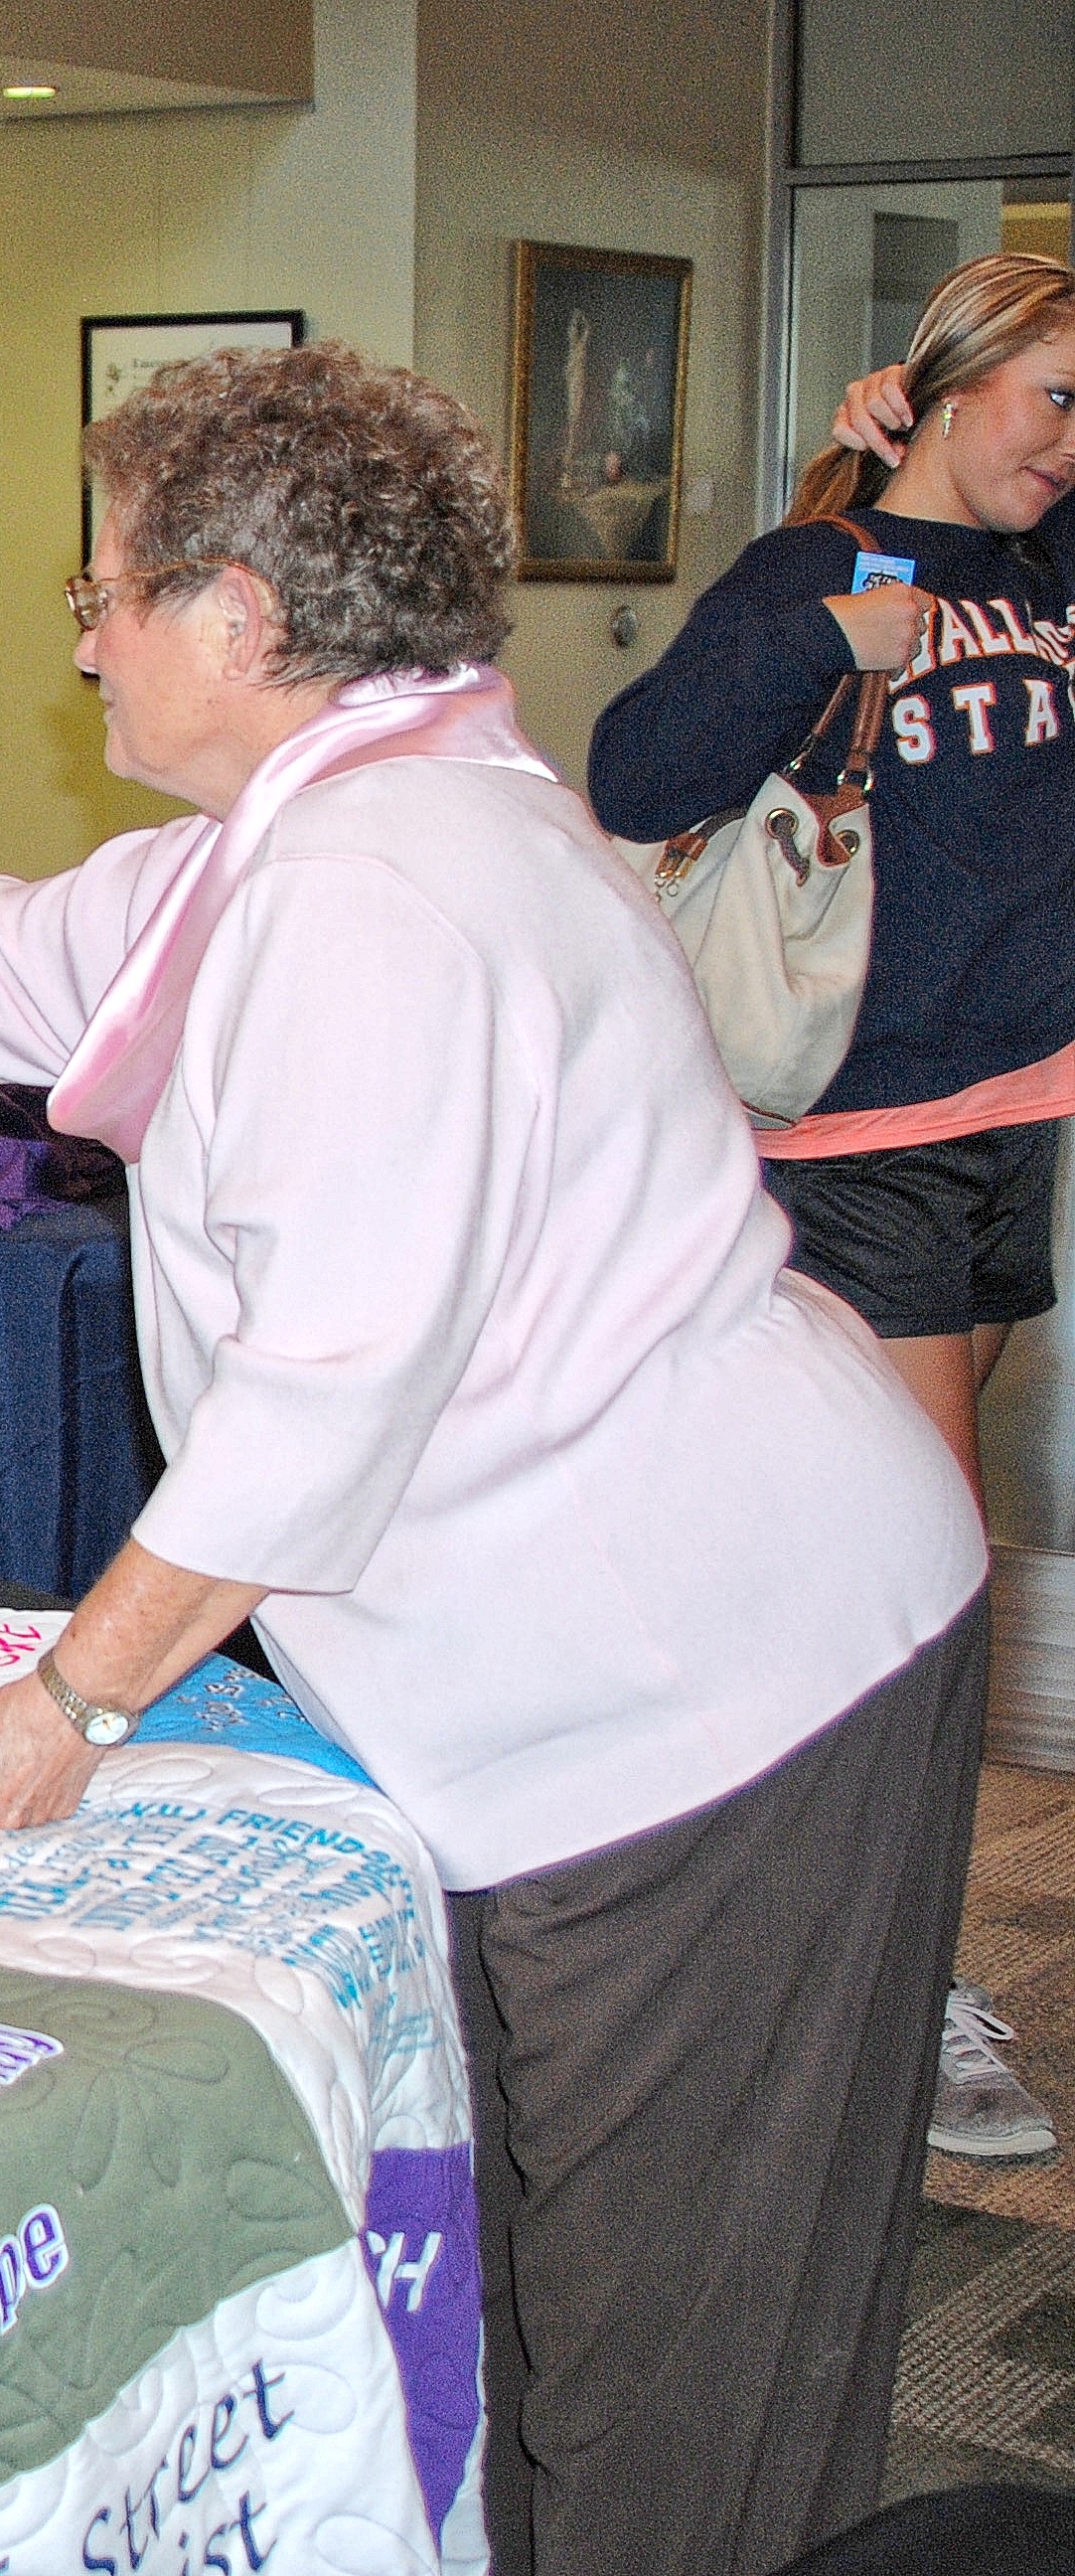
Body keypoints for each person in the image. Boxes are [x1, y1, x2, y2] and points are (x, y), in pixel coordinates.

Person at [0, 342, 987, 2572]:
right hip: (630, 1663)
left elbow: (330, 1383)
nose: (79, 636)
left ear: (236, 616)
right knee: (544, 2309)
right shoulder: (309, 835)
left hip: (719, 1684)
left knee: (680, 2377)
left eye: (105, 589)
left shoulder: (379, 889)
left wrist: (75, 1694)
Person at [591, 249, 1075, 2167]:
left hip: (1011, 1114)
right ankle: (906, 1987)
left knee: (868, 1560)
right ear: (956, 393)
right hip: (856, 1142)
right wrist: (823, 638)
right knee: (926, 1571)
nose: (1068, 442)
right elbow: (633, 773)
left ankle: (789, 1919)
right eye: (1052, 400)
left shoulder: (1043, 571)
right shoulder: (821, 570)